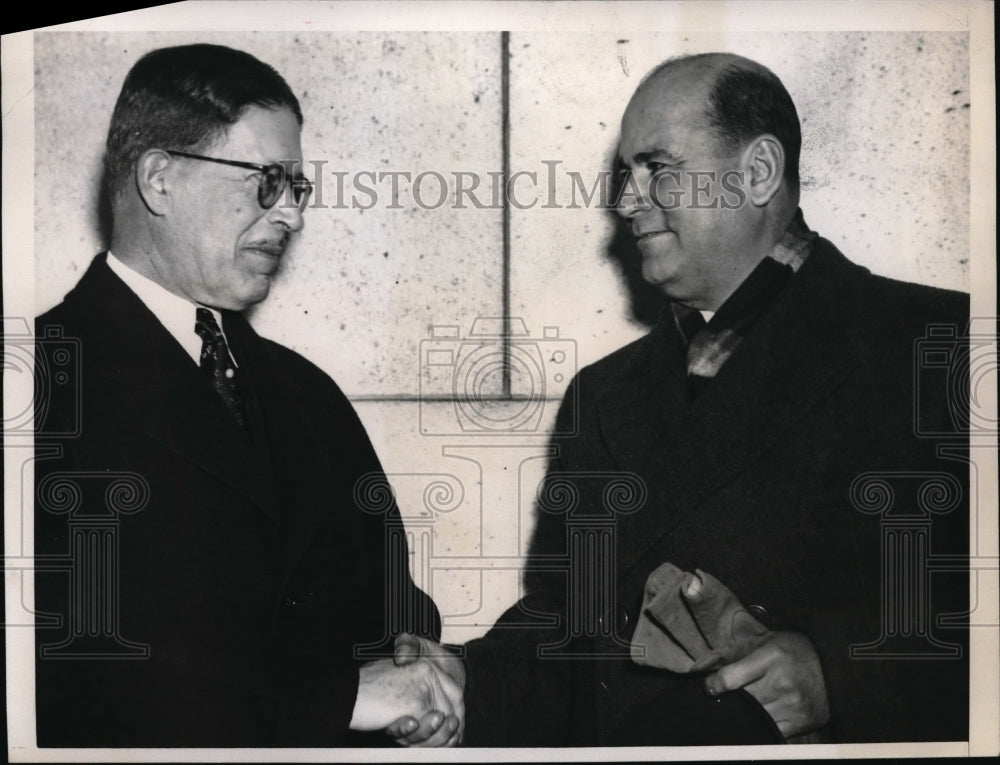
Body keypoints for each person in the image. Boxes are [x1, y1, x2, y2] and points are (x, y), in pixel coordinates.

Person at [391, 52, 969, 746]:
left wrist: (837, 678)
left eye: (657, 168)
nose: (627, 202)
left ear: (757, 172)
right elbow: (562, 629)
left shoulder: (940, 347)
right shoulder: (603, 394)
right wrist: (457, 681)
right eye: (625, 176)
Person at [33, 43, 462, 747]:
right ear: (159, 180)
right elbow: (73, 674)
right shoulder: (36, 386)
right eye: (267, 180)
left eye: (298, 187)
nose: (291, 215)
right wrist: (337, 696)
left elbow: (394, 601)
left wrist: (418, 652)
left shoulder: (306, 392)